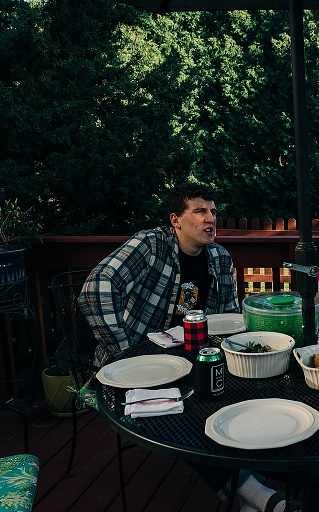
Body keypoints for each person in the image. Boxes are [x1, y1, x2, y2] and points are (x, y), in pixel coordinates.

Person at [79, 183, 297, 512]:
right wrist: (124, 350)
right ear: (176, 219)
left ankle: (248, 483)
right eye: (200, 211)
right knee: (180, 410)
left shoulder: (219, 257)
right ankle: (251, 489)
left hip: (193, 357)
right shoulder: (151, 245)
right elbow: (97, 288)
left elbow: (230, 317)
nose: (210, 218)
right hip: (138, 366)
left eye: (213, 211)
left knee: (233, 387)